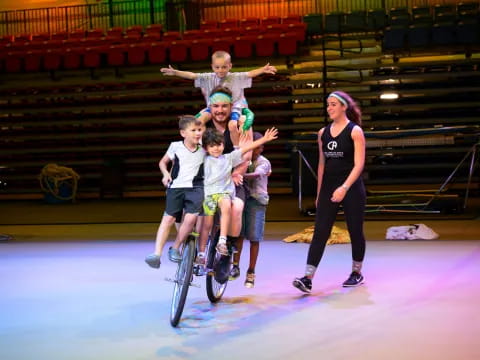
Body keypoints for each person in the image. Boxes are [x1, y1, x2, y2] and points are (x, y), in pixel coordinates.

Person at [293, 90, 367, 293]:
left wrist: (344, 188)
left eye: (334, 104)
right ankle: (308, 277)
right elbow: (322, 165)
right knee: (320, 232)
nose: (329, 108)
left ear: (344, 107)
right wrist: (319, 194)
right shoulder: (322, 133)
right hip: (328, 187)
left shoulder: (355, 131)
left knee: (355, 230)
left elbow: (359, 165)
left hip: (351, 187)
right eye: (328, 105)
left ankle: (356, 272)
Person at [160, 50, 277, 144]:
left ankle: (237, 149)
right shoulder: (209, 77)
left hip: (234, 108)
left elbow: (250, 73)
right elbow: (192, 75)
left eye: (224, 67)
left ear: (230, 66)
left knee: (232, 125)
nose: (220, 70)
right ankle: (202, 145)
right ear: (212, 66)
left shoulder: (236, 77)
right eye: (217, 67)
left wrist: (263, 69)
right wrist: (175, 72)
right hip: (214, 108)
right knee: (199, 121)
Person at [200, 127, 278, 266]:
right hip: (209, 196)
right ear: (206, 148)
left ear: (223, 145)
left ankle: (223, 241)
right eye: (212, 146)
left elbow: (245, 149)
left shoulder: (229, 158)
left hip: (224, 194)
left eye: (219, 145)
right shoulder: (205, 159)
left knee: (226, 206)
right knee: (207, 224)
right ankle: (201, 253)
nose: (216, 148)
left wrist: (264, 139)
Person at [145, 115, 205, 269]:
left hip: (196, 188)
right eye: (193, 130)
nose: (197, 133)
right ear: (183, 133)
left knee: (191, 218)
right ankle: (157, 254)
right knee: (168, 219)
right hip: (176, 187)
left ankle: (176, 248)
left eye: (199, 130)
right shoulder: (175, 146)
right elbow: (162, 162)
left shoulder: (205, 148)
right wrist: (165, 174)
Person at [229, 131, 272, 288]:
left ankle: (251, 271)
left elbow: (255, 175)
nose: (257, 150)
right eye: (255, 147)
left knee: (254, 237)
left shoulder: (264, 162)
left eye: (260, 147)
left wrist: (238, 175)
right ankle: (235, 265)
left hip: (257, 201)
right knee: (238, 234)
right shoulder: (240, 160)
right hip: (242, 199)